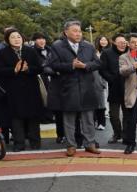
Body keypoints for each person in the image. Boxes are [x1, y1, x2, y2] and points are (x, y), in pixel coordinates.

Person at [47, 20, 101, 157]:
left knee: (88, 119)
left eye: (79, 31)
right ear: (66, 32)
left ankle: (90, 143)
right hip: (68, 87)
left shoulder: (88, 46)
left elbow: (97, 63)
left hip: (87, 87)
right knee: (69, 120)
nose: (78, 33)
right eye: (75, 31)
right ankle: (71, 145)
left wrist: (85, 66)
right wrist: (70, 66)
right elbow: (53, 65)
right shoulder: (57, 46)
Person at [0, 29, 44, 151]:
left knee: (33, 116)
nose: (16, 39)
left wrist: (28, 69)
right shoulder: (3, 53)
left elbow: (39, 68)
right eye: (13, 37)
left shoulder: (30, 51)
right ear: (7, 40)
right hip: (13, 90)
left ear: (23, 39)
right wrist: (13, 70)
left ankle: (35, 142)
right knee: (16, 118)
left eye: (18, 37)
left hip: (31, 89)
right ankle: (19, 143)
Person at [99, 34, 128, 144]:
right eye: (120, 42)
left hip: (128, 87)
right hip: (114, 87)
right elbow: (102, 69)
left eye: (124, 42)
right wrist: (111, 79)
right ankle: (117, 133)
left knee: (127, 114)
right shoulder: (107, 53)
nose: (122, 44)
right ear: (114, 42)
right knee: (114, 114)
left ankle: (125, 135)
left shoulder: (130, 51)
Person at [93, 36, 110, 131]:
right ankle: (98, 121)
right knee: (99, 100)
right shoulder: (94, 52)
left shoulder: (111, 51)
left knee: (104, 98)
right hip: (97, 78)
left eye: (105, 39)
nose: (103, 41)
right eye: (101, 40)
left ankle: (103, 118)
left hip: (107, 77)